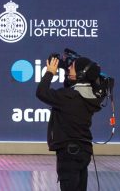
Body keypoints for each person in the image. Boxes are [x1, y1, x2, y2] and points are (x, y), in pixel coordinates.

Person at [35, 54, 104, 191]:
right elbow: (74, 85)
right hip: (84, 150)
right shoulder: (91, 96)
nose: (68, 69)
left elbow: (41, 92)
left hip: (69, 153)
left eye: (71, 67)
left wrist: (50, 72)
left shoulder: (68, 97)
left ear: (81, 74)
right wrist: (72, 71)